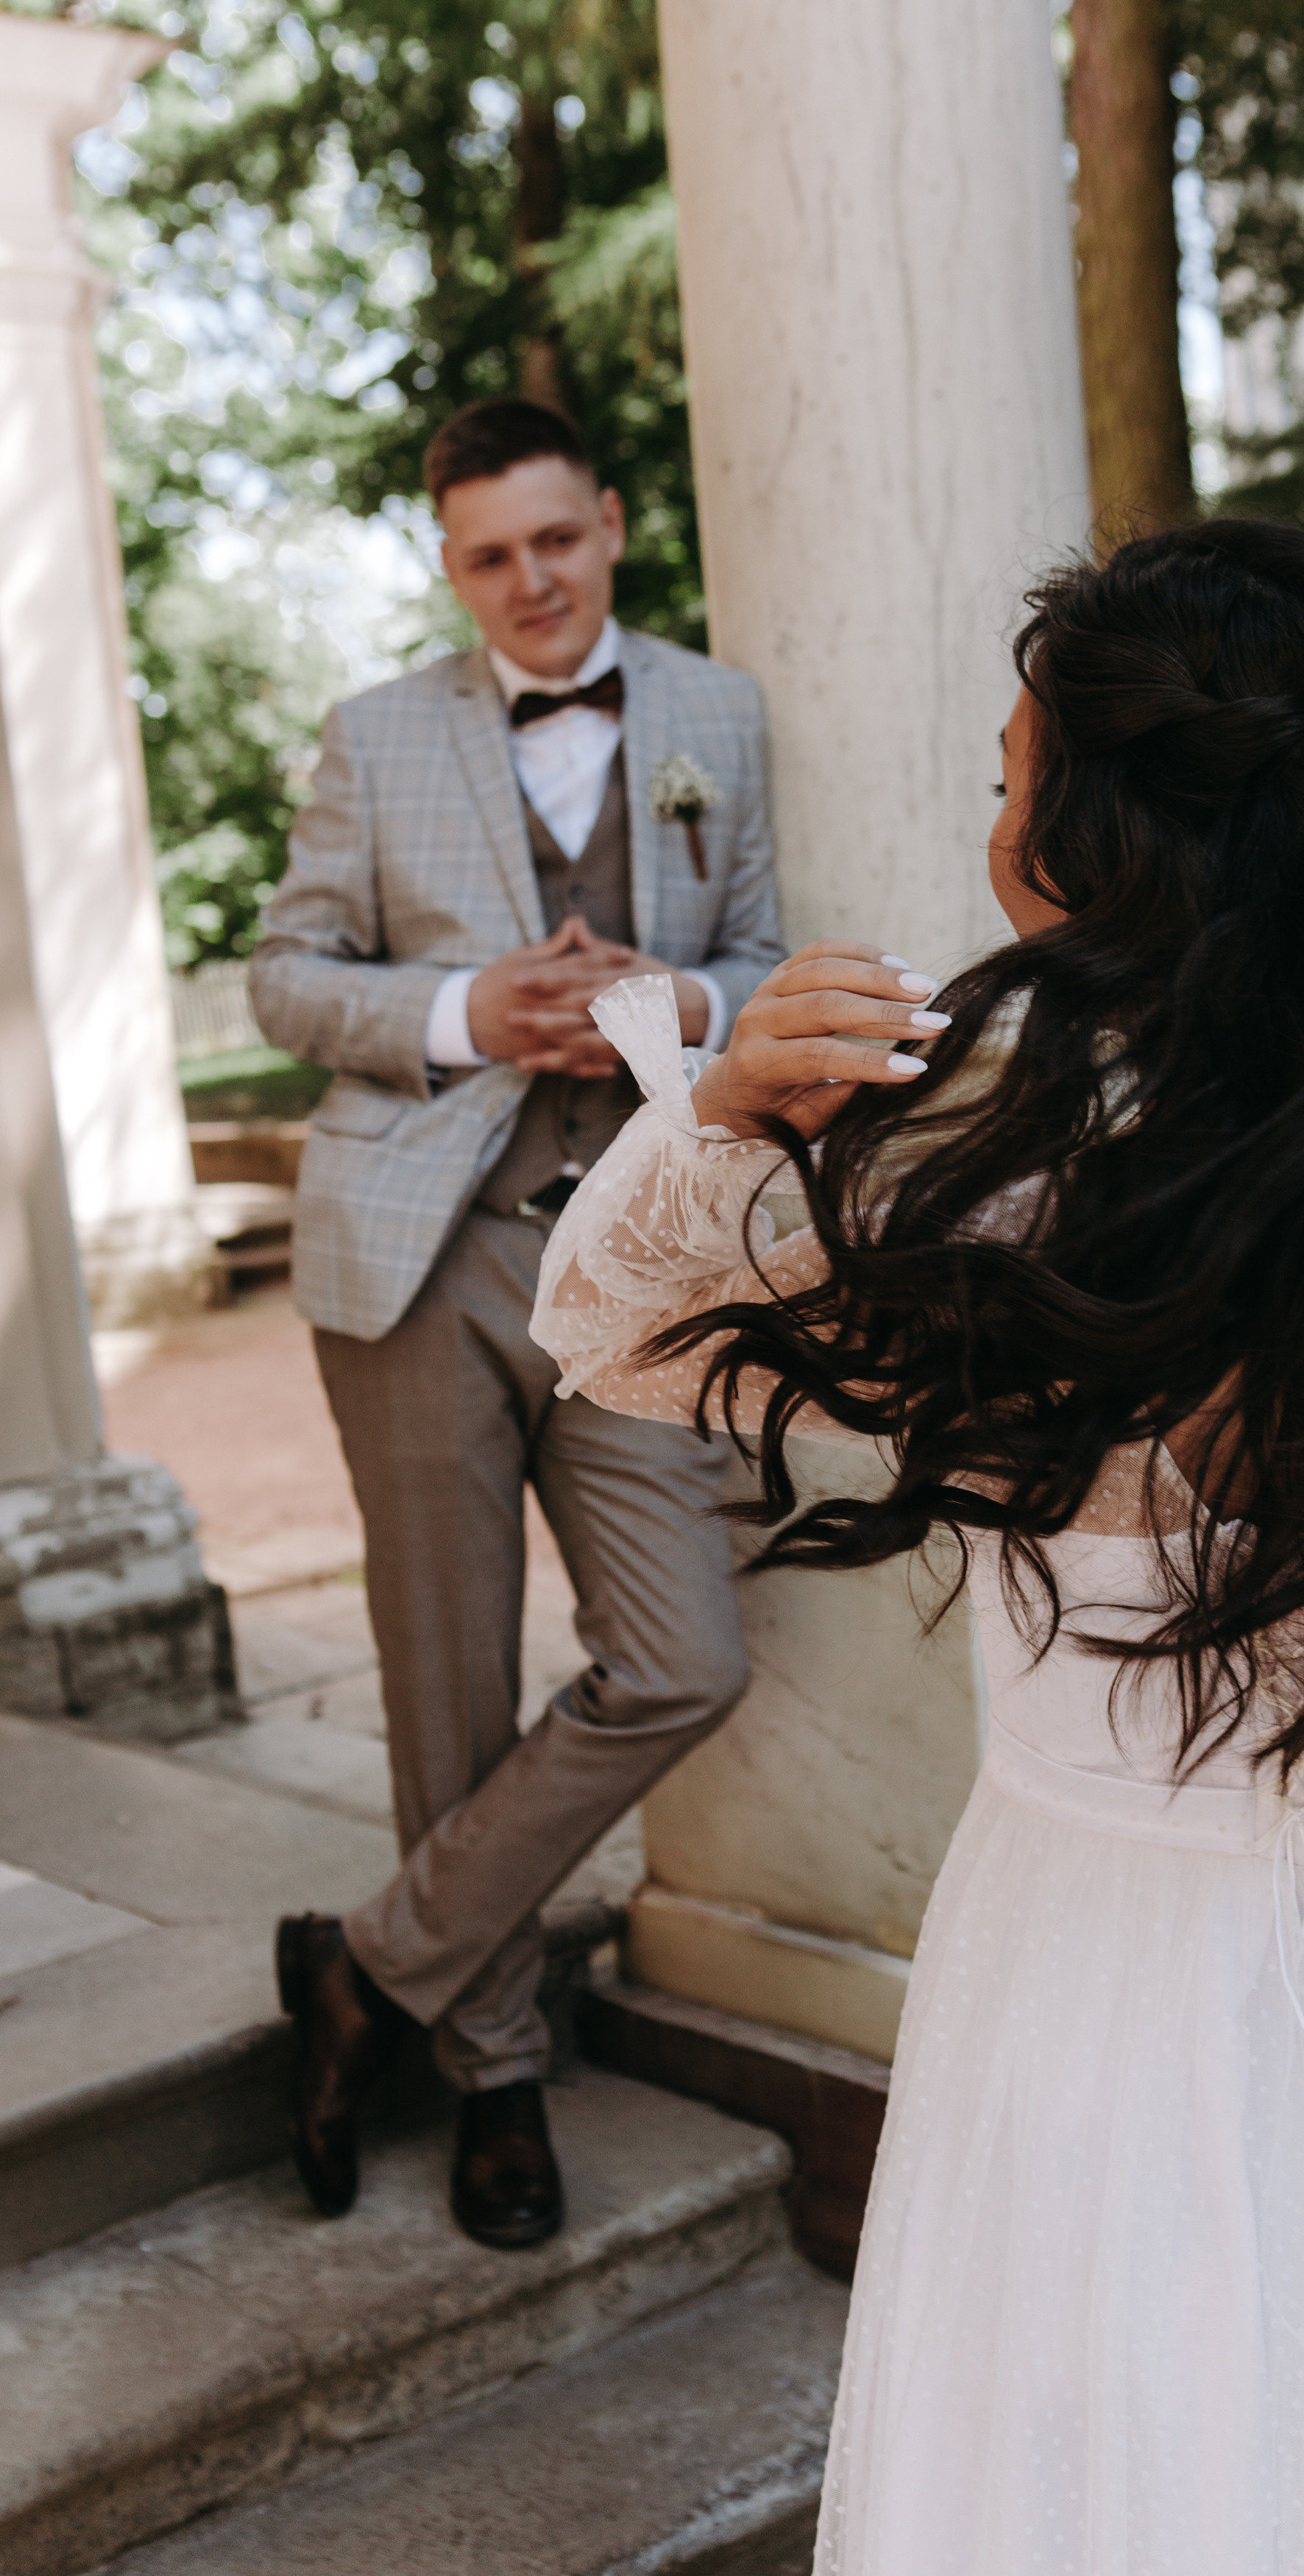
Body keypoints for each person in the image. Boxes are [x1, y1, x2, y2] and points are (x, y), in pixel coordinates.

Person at [528, 520, 1304, 2571]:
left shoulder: (983, 1212)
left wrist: (718, 1116)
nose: (993, 826)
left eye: (1014, 783)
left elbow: (607, 1328)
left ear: (1097, 854)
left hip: (1092, 1986)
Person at [251, 397, 784, 2248]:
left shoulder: (719, 715)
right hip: (424, 1252)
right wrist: (467, 1011)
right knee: (448, 1682)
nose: (532, 580)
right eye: (490, 555)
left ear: (612, 523)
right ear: (451, 565)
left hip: (631, 1250)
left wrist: (684, 1004)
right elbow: (286, 975)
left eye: (557, 539)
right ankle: (494, 2071)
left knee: (684, 1657)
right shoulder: (375, 733)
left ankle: (369, 1965)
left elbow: (768, 955)